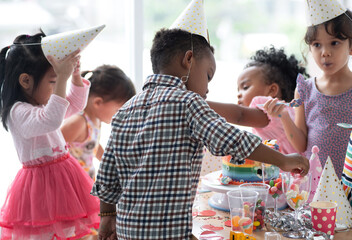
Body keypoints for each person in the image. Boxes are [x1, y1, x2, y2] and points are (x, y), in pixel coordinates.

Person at [91, 27, 309, 239]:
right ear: (188, 60)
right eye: (208, 75)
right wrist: (283, 160)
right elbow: (232, 140)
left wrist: (107, 216)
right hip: (170, 233)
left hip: (129, 230)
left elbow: (108, 176)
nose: (207, 89)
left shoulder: (125, 110)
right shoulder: (188, 102)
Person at [0, 32, 100, 239]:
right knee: (44, 233)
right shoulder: (18, 112)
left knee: (67, 232)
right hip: (40, 186)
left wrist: (74, 77)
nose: (56, 88)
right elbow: (51, 119)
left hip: (62, 178)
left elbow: (75, 105)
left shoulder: (43, 106)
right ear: (25, 81)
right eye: (52, 82)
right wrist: (63, 78)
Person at [264, 8, 352, 179]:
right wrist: (284, 116)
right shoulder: (304, 90)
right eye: (317, 45)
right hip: (316, 185)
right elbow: (300, 144)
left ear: (351, 46)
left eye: (334, 42)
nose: (325, 52)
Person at [207, 46, 309, 154]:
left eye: (245, 87)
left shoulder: (270, 110)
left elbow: (240, 115)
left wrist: (198, 103)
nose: (239, 95)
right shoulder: (291, 111)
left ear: (272, 90)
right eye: (238, 90)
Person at [61, 65, 136, 180]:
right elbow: (51, 146)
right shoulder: (79, 123)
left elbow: (92, 146)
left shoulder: (95, 120)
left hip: (86, 179)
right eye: (118, 110)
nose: (122, 116)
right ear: (98, 103)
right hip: (71, 181)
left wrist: (109, 162)